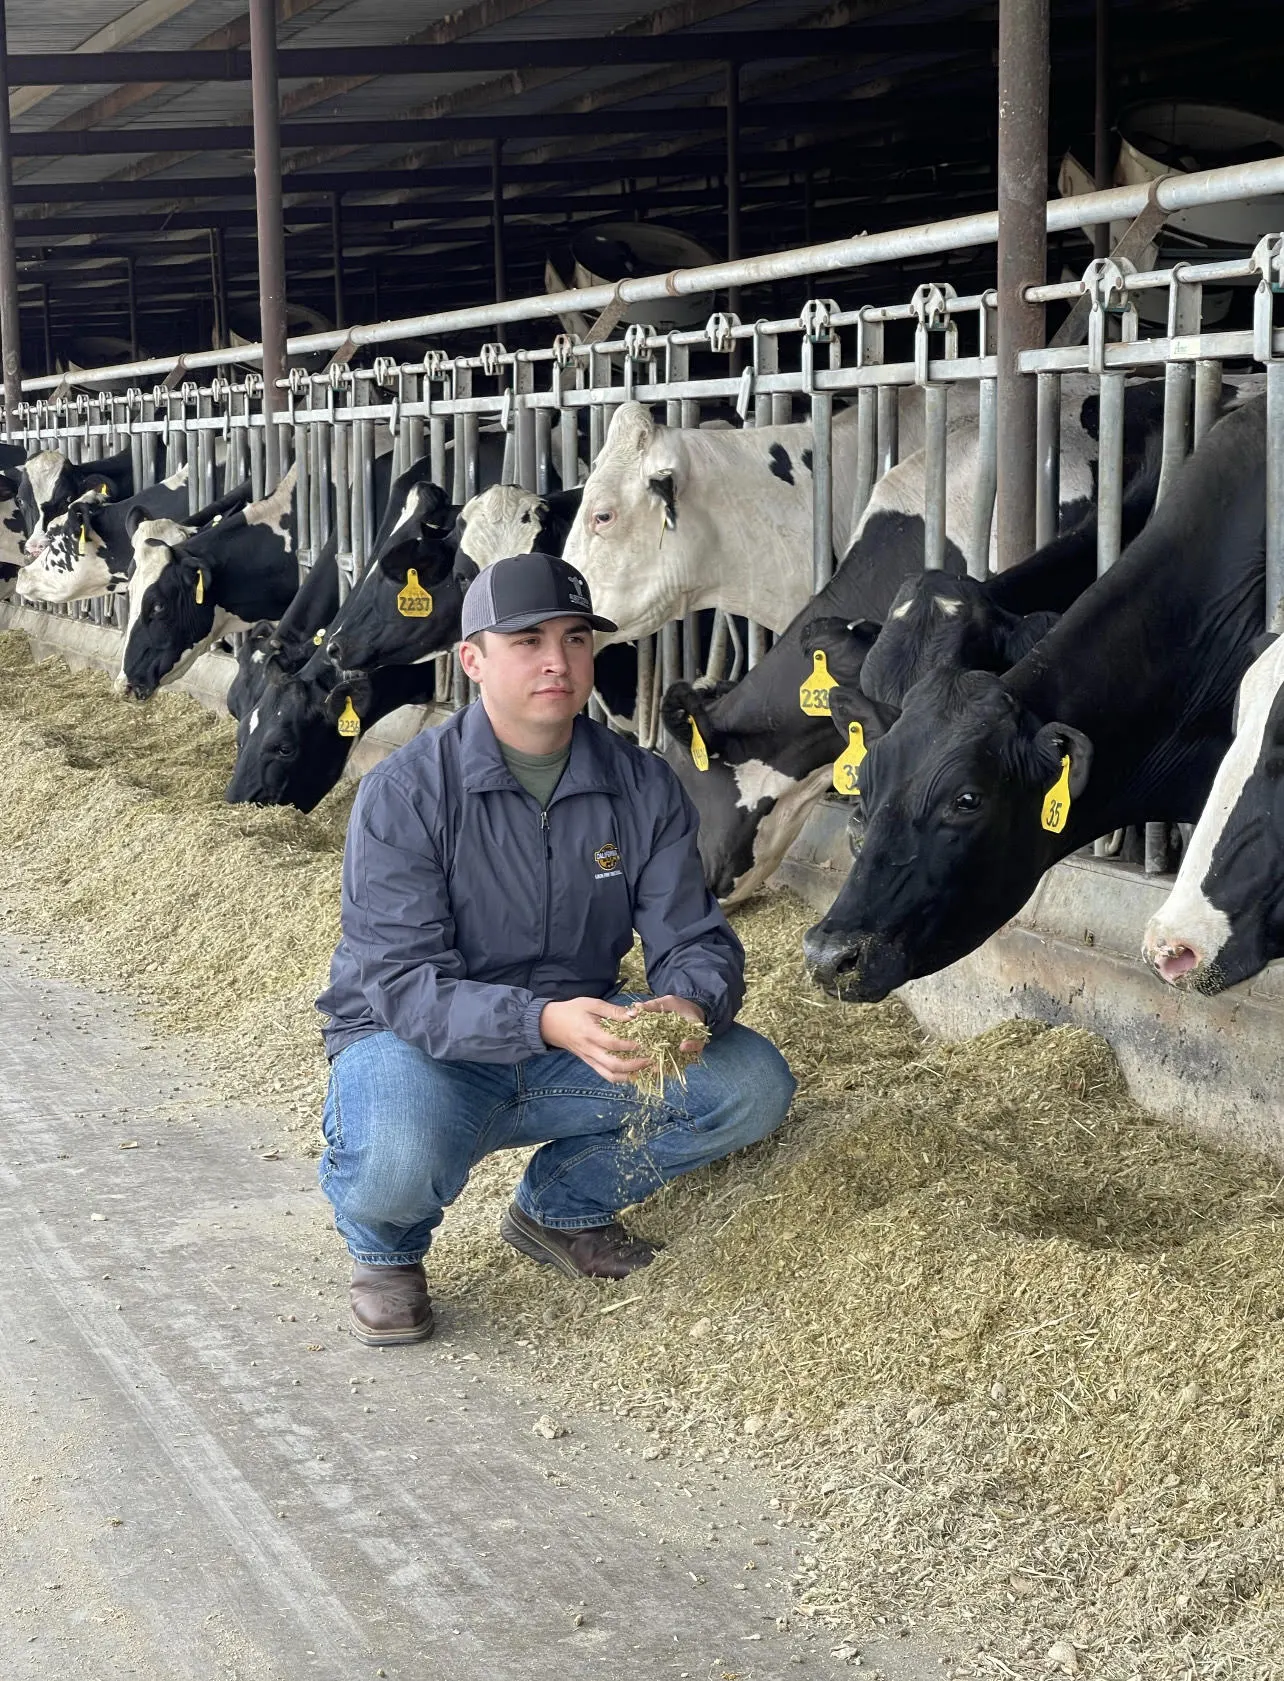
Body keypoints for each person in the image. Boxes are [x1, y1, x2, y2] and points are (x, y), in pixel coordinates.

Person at [315, 551, 796, 1347]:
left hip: (577, 1036)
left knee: (750, 1085)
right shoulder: (404, 792)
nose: (557, 660)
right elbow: (403, 985)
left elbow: (695, 936)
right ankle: (388, 1251)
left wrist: (687, 1000)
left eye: (576, 639)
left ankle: (560, 1206)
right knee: (398, 1145)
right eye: (528, 639)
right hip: (416, 1043)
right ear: (472, 659)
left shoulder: (640, 784)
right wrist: (546, 1021)